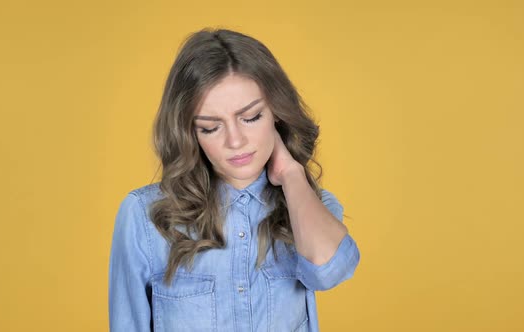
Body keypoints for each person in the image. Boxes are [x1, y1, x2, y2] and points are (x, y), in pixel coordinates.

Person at [108, 28, 360, 332]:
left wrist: (291, 174)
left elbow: (328, 270)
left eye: (251, 117)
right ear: (189, 132)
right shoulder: (144, 217)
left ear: (276, 113)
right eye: (211, 127)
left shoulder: (308, 204)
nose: (236, 141)